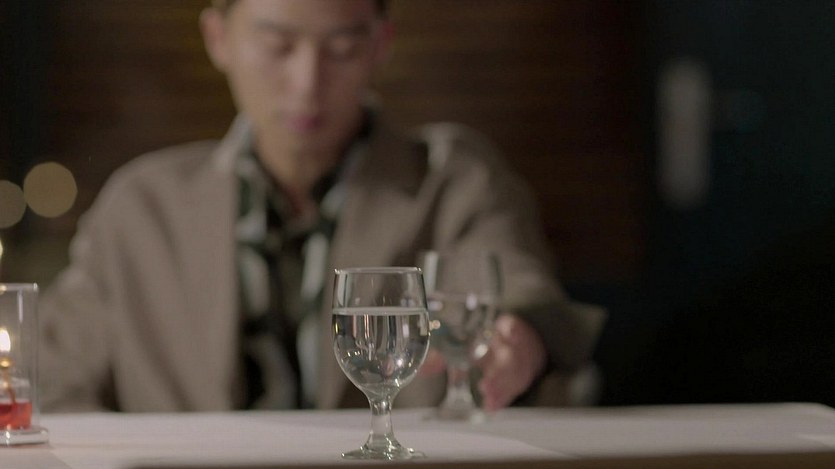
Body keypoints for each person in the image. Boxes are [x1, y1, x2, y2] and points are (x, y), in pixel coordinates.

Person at [38, 0, 604, 412]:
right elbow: (52, 378)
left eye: (342, 48)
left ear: (380, 44)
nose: (308, 82)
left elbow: (518, 285)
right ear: (218, 38)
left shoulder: (451, 180)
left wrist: (522, 334)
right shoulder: (142, 208)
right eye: (277, 46)